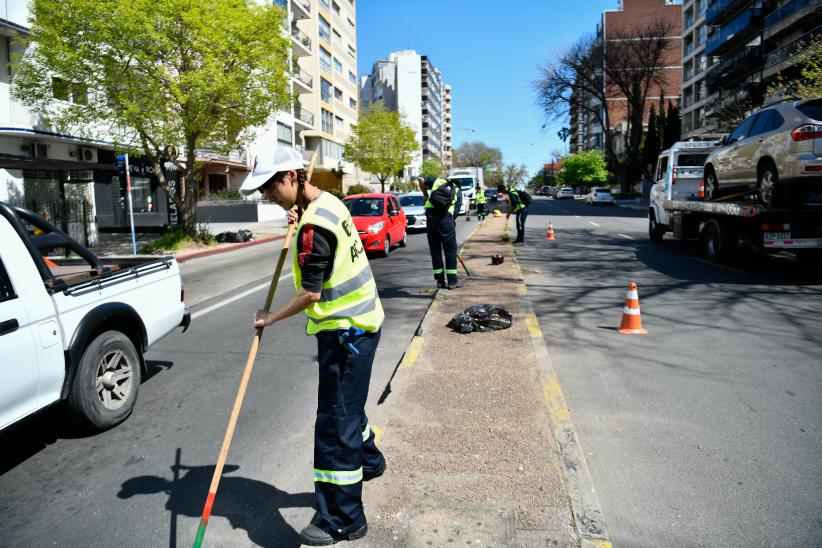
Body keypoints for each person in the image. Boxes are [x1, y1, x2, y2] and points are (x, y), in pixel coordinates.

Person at [243, 145, 386, 545]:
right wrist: (302, 216)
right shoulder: (328, 204)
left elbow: (311, 294)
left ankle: (343, 518)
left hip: (347, 334)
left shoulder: (313, 228)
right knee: (348, 408)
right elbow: (320, 230)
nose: (267, 197)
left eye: (270, 187)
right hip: (363, 323)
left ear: (292, 177)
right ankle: (370, 461)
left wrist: (269, 318)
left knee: (334, 425)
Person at [419, 176, 463, 289]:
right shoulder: (458, 192)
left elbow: (420, 179)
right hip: (445, 220)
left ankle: (440, 281)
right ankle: (452, 282)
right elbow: (455, 213)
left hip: (431, 219)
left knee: (435, 251)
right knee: (450, 251)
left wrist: (425, 195)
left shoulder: (438, 182)